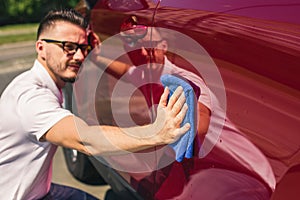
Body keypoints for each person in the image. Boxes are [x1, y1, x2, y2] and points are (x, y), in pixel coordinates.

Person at [0, 9, 191, 200]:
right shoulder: (31, 98)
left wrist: (96, 54)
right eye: (68, 47)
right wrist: (156, 132)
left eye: (83, 48)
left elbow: (129, 73)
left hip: (38, 191)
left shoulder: (42, 82)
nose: (79, 57)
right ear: (41, 47)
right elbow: (85, 139)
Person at [92, 16, 276, 200]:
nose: (140, 53)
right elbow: (126, 71)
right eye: (132, 49)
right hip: (212, 170)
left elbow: (198, 125)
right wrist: (96, 56)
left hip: (245, 175)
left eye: (148, 47)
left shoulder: (182, 80)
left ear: (163, 47)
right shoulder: (147, 73)